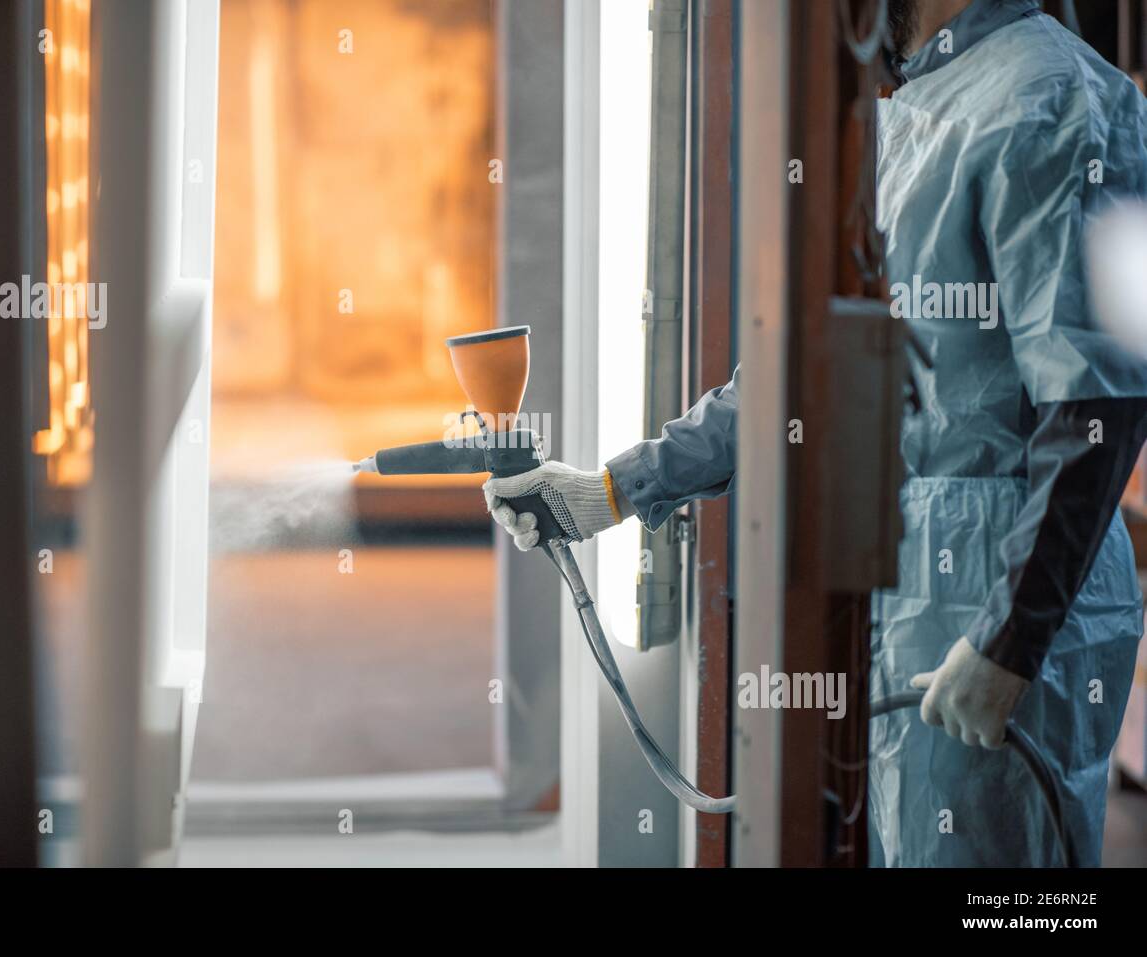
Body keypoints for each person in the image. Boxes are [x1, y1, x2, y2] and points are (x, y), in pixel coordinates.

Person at [485, 0, 1147, 866]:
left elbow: (1095, 402)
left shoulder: (1060, 102)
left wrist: (1008, 638)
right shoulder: (916, 107)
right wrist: (612, 488)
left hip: (992, 597)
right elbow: (799, 382)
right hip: (908, 599)